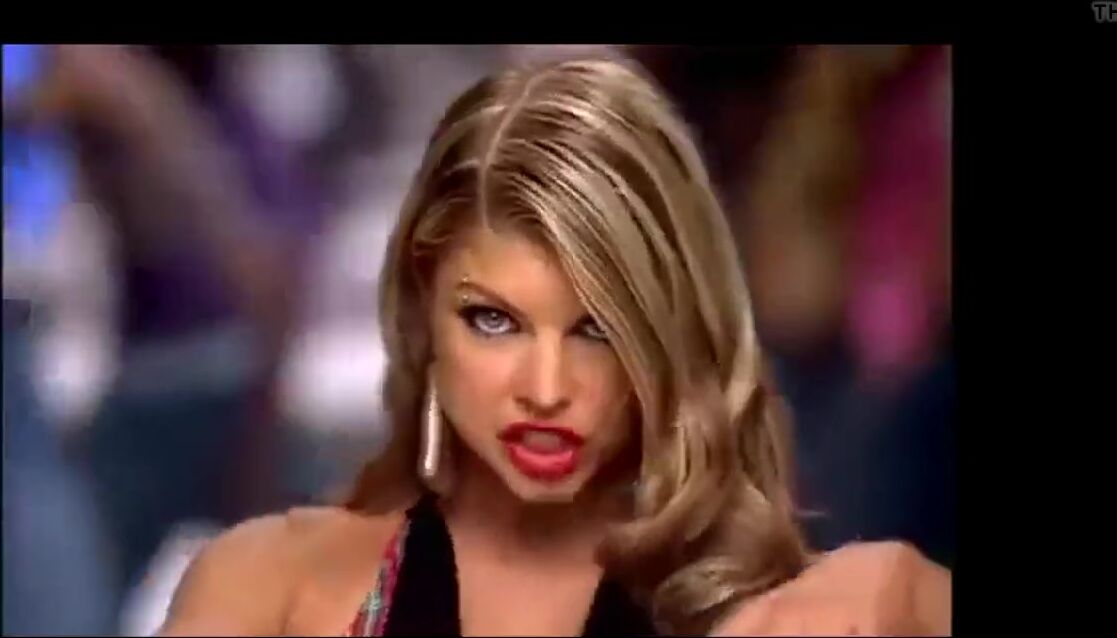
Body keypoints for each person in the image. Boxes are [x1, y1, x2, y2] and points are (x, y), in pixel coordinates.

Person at [160, 57, 951, 636]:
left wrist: (917, 595)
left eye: (598, 329)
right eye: (493, 321)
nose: (545, 388)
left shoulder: (777, 610)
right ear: (422, 316)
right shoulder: (277, 591)